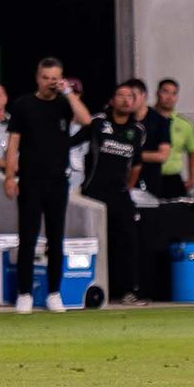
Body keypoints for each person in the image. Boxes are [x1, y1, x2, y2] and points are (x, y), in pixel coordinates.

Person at [4, 57, 93, 314]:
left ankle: (54, 292)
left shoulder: (65, 104)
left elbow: (86, 120)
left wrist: (68, 93)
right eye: (46, 77)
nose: (50, 82)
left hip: (57, 181)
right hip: (31, 180)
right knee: (28, 238)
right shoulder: (24, 105)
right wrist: (10, 176)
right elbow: (13, 144)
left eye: (55, 77)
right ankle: (25, 294)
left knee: (56, 239)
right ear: (37, 77)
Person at [72, 83, 147, 305]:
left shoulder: (138, 130)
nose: (125, 100)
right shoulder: (98, 123)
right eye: (120, 96)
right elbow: (72, 144)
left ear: (134, 102)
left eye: (129, 97)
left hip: (120, 193)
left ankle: (128, 291)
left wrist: (128, 188)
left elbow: (136, 164)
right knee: (95, 240)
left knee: (128, 240)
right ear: (112, 100)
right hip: (93, 192)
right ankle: (91, 289)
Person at [153, 79, 194, 199]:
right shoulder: (146, 119)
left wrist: (192, 178)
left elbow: (193, 151)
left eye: (174, 93)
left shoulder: (184, 124)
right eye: (165, 92)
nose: (169, 97)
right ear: (157, 93)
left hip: (173, 178)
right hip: (149, 176)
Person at [125, 79, 171, 197]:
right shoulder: (124, 120)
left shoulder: (159, 121)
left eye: (133, 96)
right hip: (125, 180)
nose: (129, 101)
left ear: (143, 95)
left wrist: (132, 155)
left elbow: (163, 155)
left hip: (150, 182)